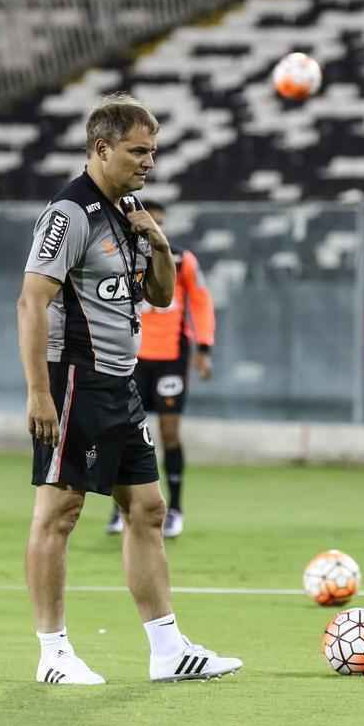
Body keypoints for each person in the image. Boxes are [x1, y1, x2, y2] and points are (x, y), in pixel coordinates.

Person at [17, 93, 242, 685]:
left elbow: (161, 296)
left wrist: (161, 244)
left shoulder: (130, 210)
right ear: (101, 148)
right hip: (73, 378)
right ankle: (53, 653)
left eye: (154, 152)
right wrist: (38, 391)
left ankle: (168, 651)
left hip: (121, 383)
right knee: (59, 512)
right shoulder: (69, 215)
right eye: (138, 151)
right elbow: (31, 301)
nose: (149, 162)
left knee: (147, 508)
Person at [107, 199, 215, 538]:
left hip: (171, 357)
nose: (156, 228)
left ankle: (176, 509)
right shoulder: (115, 256)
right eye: (150, 221)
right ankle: (121, 508)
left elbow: (201, 302)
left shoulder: (181, 259)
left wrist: (205, 348)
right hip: (131, 357)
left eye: (161, 223)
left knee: (168, 433)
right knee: (125, 433)